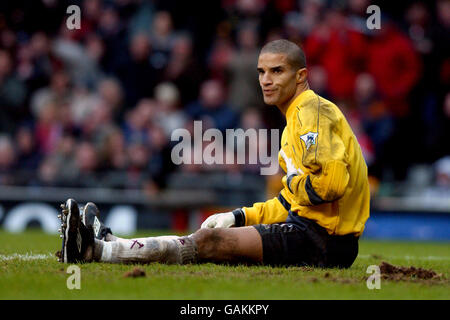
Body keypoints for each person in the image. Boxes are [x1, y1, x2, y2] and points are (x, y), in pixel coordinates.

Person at [57, 39, 370, 268]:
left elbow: (331, 185)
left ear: (301, 76)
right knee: (208, 236)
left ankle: (96, 251)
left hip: (323, 240)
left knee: (208, 244)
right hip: (315, 234)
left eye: (277, 71)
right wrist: (236, 216)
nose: (266, 80)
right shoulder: (296, 122)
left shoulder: (309, 112)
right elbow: (291, 203)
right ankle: (109, 244)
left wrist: (293, 185)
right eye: (261, 72)